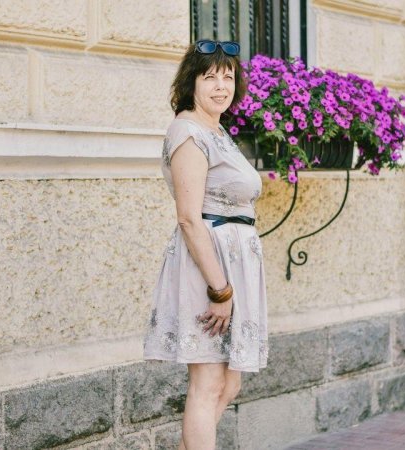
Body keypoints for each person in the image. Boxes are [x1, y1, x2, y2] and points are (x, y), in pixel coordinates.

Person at [143, 39, 269, 450]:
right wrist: (221, 290)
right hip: (209, 269)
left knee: (228, 384)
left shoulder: (217, 131)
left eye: (228, 77)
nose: (220, 86)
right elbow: (188, 218)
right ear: (191, 83)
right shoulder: (188, 131)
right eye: (209, 77)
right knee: (208, 382)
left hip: (231, 268)